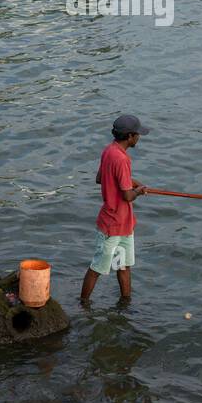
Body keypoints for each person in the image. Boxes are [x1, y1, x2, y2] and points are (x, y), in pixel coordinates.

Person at [80, 114, 151, 303]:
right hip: (112, 225)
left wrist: (133, 182)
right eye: (137, 134)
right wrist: (138, 191)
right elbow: (127, 196)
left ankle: (125, 303)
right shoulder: (122, 159)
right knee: (97, 268)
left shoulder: (109, 150)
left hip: (124, 224)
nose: (139, 138)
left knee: (123, 265)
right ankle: (83, 305)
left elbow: (100, 178)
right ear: (129, 136)